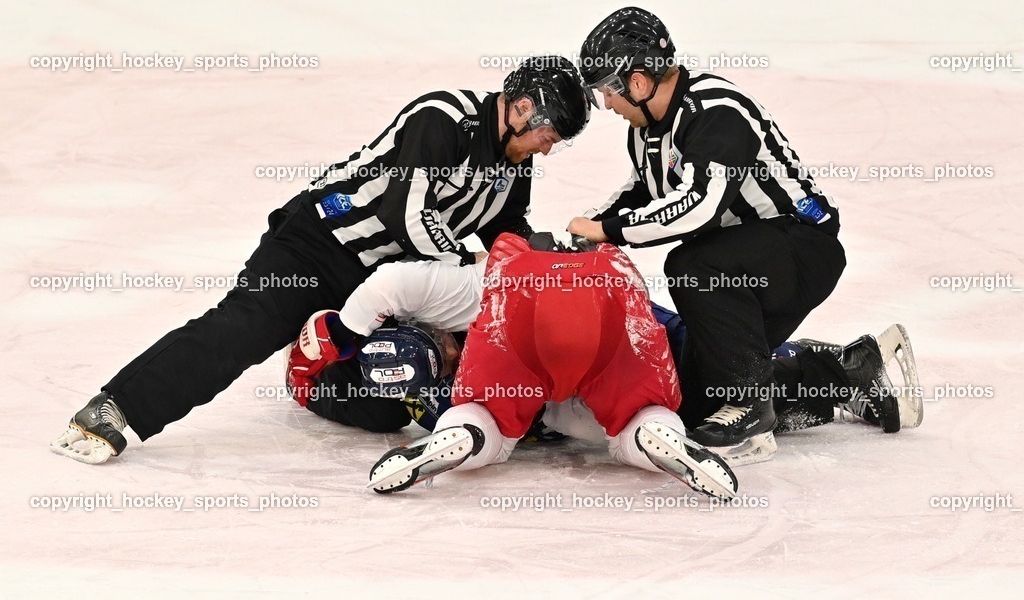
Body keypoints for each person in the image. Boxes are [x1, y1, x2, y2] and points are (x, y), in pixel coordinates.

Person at [51, 56, 592, 465]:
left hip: (383, 275)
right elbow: (406, 214)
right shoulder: (443, 117)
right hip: (317, 242)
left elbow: (506, 236)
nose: (547, 149)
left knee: (387, 401)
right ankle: (117, 409)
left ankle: (309, 375)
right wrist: (467, 263)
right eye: (549, 135)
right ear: (523, 108)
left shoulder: (513, 166)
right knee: (247, 326)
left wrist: (538, 262)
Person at [287, 232, 920, 470]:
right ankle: (836, 379)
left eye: (445, 351)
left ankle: (846, 371)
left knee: (707, 384)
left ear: (424, 327)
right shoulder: (402, 394)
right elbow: (319, 390)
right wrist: (314, 377)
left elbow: (385, 289)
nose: (453, 359)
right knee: (691, 403)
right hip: (569, 394)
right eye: (442, 370)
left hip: (612, 332)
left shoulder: (450, 292)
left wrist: (336, 334)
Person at [567, 7, 848, 464]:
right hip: (748, 255)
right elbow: (644, 188)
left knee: (692, 266)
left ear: (638, 81)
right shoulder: (646, 129)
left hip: (800, 247)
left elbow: (699, 206)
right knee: (696, 396)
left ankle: (751, 414)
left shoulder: (717, 111)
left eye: (608, 91)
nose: (608, 105)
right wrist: (591, 225)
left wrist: (609, 230)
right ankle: (846, 373)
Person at [364, 234, 739, 498]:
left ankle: (464, 437)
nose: (452, 354)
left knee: (482, 421)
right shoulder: (463, 290)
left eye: (444, 347)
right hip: (602, 297)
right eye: (446, 360)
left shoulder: (443, 393)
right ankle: (653, 431)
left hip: (528, 360)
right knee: (635, 415)